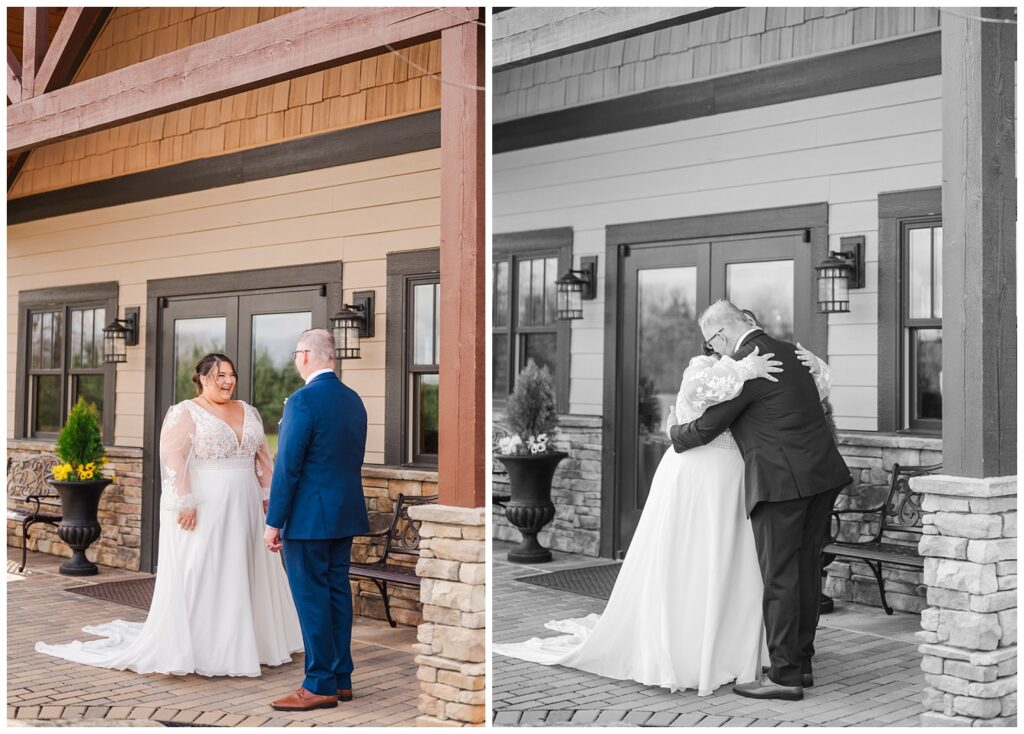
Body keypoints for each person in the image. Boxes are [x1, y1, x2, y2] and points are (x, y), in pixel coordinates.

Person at [494, 326, 832, 697]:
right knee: (707, 561)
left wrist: (678, 430)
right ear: (716, 340)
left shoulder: (762, 366)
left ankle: (776, 661)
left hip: (743, 479)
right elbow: (703, 418)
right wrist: (688, 421)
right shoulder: (717, 369)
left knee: (748, 566)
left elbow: (729, 420)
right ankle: (775, 659)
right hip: (706, 478)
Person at [36, 353, 303, 676]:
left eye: (230, 375)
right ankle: (207, 646)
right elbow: (173, 457)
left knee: (246, 565)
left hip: (245, 501)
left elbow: (262, 457)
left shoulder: (248, 411)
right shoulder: (186, 412)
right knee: (205, 567)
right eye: (219, 376)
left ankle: (255, 641)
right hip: (208, 503)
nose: (227, 381)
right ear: (202, 378)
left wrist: (268, 498)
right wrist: (185, 501)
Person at [671, 300, 851, 701]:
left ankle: (784, 677)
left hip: (783, 485)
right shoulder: (791, 352)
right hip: (822, 476)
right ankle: (801, 662)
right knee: (806, 572)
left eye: (711, 342)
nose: (713, 351)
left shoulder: (746, 366)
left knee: (780, 576)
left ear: (721, 334)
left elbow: (706, 428)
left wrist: (673, 434)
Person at [265, 329, 370, 712]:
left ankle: (319, 683)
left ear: (306, 355)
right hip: (344, 514)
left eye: (296, 353)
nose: (296, 359)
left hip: (309, 519)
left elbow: (287, 466)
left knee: (311, 600)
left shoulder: (302, 401)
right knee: (337, 595)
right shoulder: (353, 400)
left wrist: (273, 522)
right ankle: (341, 678)